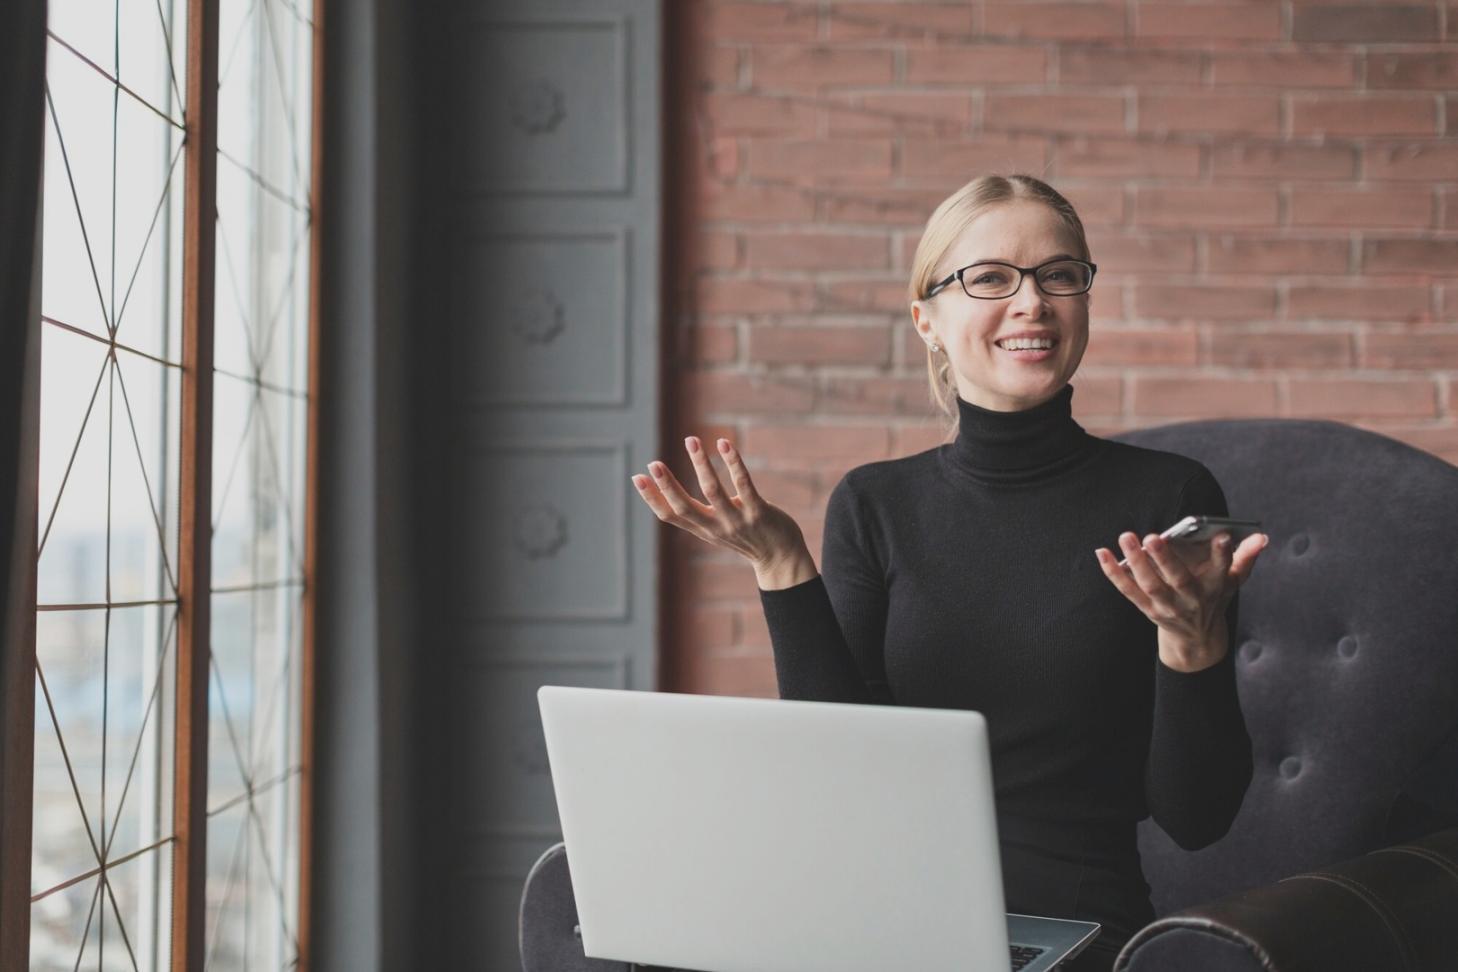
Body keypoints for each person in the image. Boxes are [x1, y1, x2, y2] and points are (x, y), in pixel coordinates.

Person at [631, 173, 1268, 970]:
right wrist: (780, 561)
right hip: (879, 920)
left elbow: (1199, 818)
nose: (1032, 302)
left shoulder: (1167, 497)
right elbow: (841, 780)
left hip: (1072, 932)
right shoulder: (875, 504)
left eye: (1058, 275)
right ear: (926, 321)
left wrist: (1191, 644)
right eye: (991, 278)